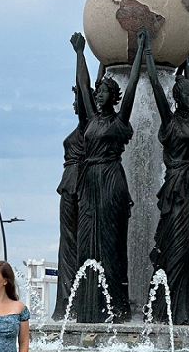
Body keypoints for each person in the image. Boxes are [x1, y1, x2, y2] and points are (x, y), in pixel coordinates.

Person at [71, 28, 146, 323]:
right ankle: (88, 307)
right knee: (86, 241)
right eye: (98, 90)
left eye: (103, 91)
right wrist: (80, 54)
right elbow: (83, 83)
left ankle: (115, 307)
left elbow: (134, 83)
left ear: (113, 97)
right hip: (90, 180)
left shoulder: (119, 118)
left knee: (111, 243)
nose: (98, 93)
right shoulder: (90, 118)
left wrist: (141, 52)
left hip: (111, 179)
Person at [145, 34, 189, 324]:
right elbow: (154, 84)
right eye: (188, 94)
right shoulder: (170, 120)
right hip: (177, 187)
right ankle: (166, 310)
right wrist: (146, 52)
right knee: (177, 245)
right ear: (177, 97)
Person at [52, 83, 87, 320]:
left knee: (75, 243)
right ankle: (66, 302)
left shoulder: (88, 126)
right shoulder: (84, 128)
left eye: (78, 99)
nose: (75, 104)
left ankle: (74, 300)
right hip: (69, 184)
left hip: (77, 184)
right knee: (67, 244)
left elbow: (85, 85)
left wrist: (81, 60)